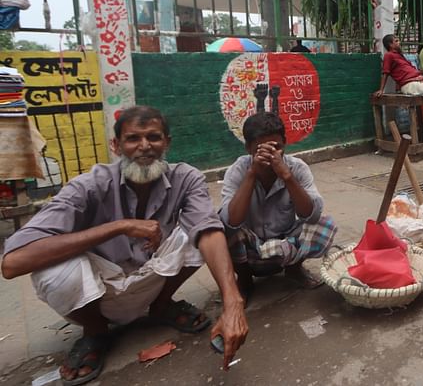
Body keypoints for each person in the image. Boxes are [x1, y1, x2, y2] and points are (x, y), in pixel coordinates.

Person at [1, 106, 248, 384]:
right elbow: (13, 263)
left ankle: (161, 307)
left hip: (151, 277)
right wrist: (119, 226)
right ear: (116, 145)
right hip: (99, 290)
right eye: (133, 139)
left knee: (203, 233)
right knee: (52, 270)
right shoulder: (89, 186)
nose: (144, 147)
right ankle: (96, 331)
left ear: (167, 142)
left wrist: (232, 302)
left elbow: (208, 230)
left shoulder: (185, 178)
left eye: (153, 137)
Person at [220, 111, 337, 300]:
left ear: (284, 144)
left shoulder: (296, 167)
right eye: (261, 149)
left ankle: (294, 269)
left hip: (285, 241)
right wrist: (252, 174)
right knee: (220, 231)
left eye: (276, 147)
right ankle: (244, 279)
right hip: (250, 245)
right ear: (248, 148)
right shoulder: (238, 171)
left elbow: (312, 215)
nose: (270, 154)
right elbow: (230, 221)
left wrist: (287, 176)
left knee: (323, 224)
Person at [374, 34, 423, 129]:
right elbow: (385, 73)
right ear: (390, 44)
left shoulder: (400, 56)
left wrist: (421, 78)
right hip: (408, 83)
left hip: (418, 81)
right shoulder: (389, 56)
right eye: (396, 41)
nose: (399, 43)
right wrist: (381, 89)